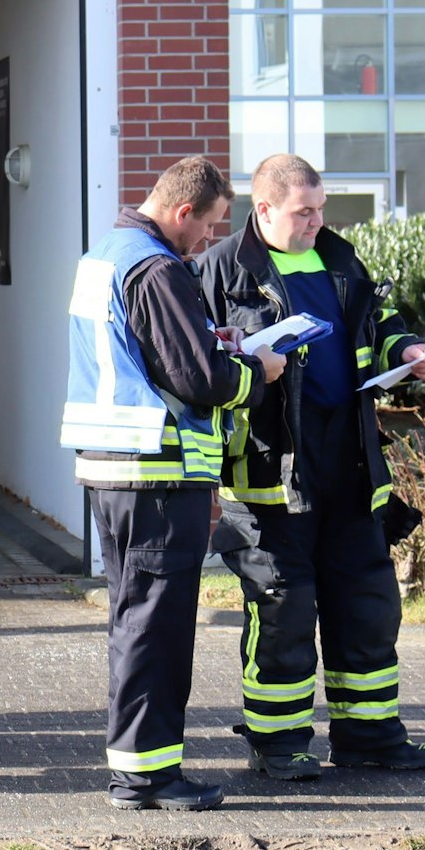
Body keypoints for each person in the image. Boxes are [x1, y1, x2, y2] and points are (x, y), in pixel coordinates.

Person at [193, 153, 425, 779]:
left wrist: (406, 348)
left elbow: (377, 321)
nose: (316, 220)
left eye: (321, 208)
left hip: (351, 465)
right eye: (305, 212)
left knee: (368, 600)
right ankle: (276, 743)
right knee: (284, 607)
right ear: (265, 208)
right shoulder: (221, 271)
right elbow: (197, 365)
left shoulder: (339, 257)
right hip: (270, 473)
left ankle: (369, 735)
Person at [61, 155, 281, 811]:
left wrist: (206, 341)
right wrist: (256, 370)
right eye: (209, 227)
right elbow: (200, 381)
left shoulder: (110, 251)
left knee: (137, 619)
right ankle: (146, 777)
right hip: (154, 473)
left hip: (121, 469)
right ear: (182, 212)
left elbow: (153, 351)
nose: (208, 241)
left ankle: (141, 769)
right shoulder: (157, 268)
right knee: (155, 625)